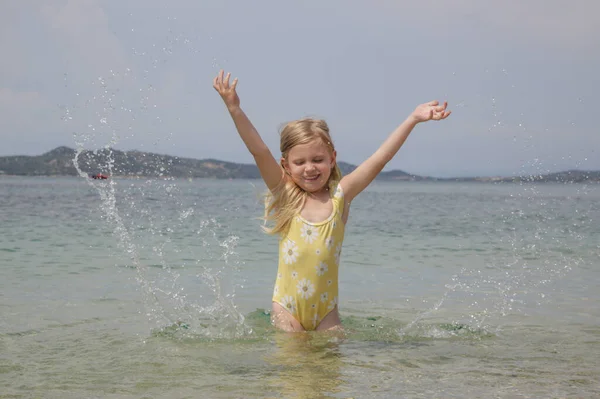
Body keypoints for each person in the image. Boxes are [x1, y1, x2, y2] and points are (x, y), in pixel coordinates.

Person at [213, 70, 451, 332]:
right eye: (299, 162)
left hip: (327, 313)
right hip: (286, 308)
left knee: (332, 370)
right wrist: (234, 108)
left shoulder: (342, 195)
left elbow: (381, 157)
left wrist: (413, 119)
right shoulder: (285, 193)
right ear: (286, 165)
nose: (310, 168)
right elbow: (259, 150)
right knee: (292, 369)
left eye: (318, 160)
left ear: (332, 158)